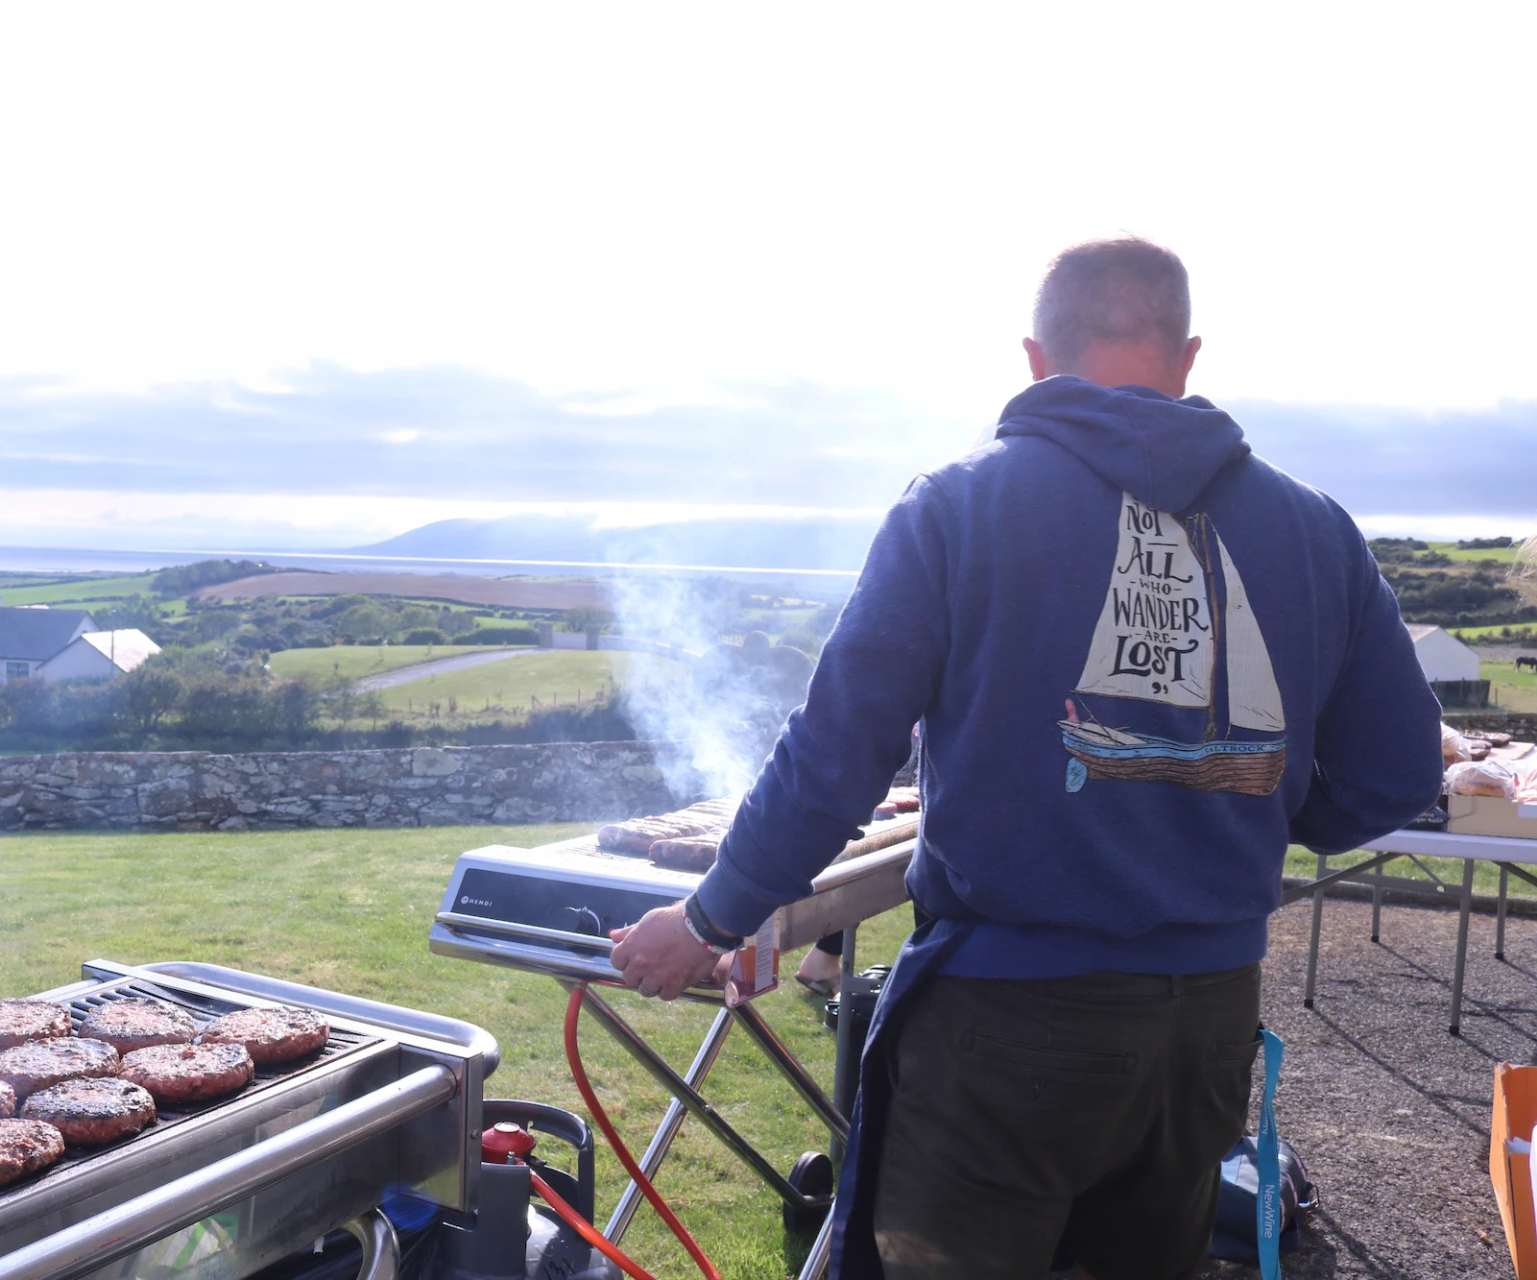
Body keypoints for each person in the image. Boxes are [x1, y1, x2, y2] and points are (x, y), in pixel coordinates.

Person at [609, 237, 1444, 1279]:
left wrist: (708, 917)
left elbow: (835, 752)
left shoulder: (959, 505)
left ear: (1033, 356)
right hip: (1208, 1023)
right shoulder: (1319, 527)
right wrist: (1258, 810)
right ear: (1187, 357)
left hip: (1006, 1028)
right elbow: (1400, 775)